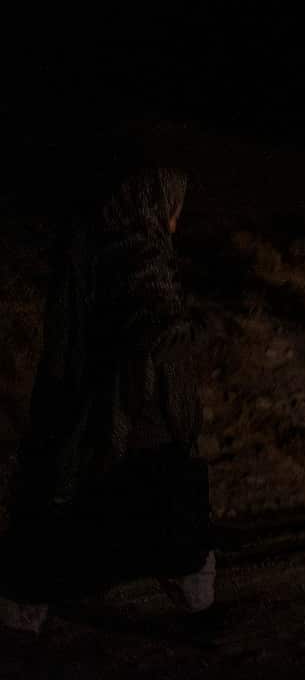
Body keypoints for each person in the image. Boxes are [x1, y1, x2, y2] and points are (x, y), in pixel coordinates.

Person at [0, 167, 215, 634]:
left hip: (82, 408)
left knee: (68, 506)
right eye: (173, 212)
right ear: (155, 208)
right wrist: (185, 417)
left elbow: (65, 335)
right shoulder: (146, 260)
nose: (175, 224)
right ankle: (201, 616)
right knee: (170, 512)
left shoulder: (89, 247)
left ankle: (24, 609)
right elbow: (167, 344)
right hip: (140, 414)